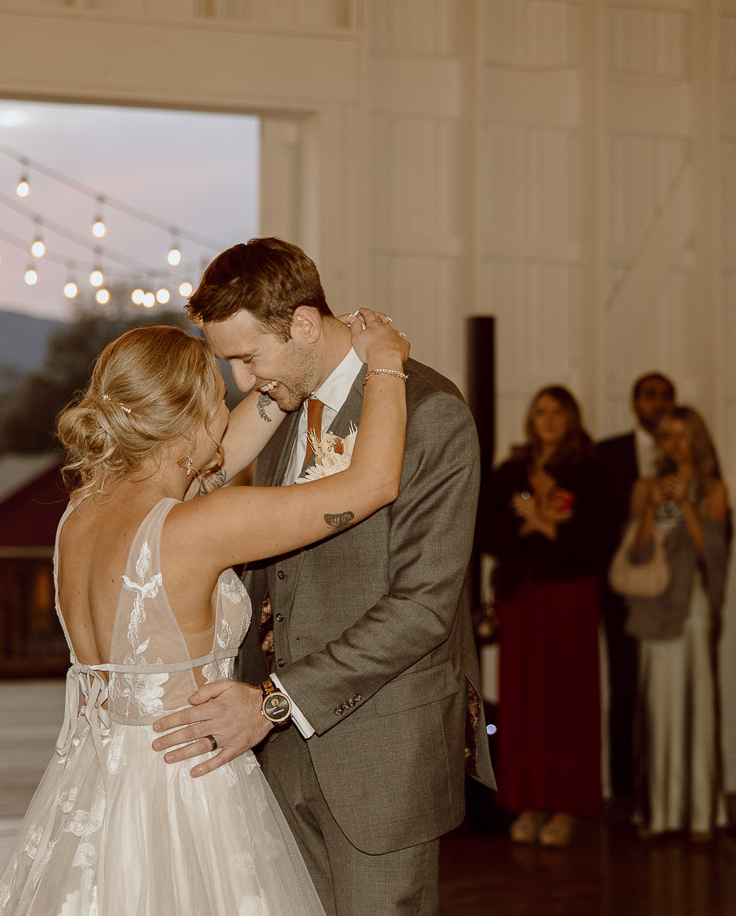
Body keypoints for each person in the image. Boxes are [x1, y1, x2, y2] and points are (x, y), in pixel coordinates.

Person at [0, 312, 409, 915]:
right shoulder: (196, 528)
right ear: (187, 422)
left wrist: (275, 385)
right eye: (217, 397)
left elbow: (208, 456)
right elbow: (371, 485)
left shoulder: (81, 515)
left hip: (99, 780)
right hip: (186, 785)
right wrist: (386, 361)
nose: (228, 406)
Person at [158, 237, 494, 916]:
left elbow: (423, 609)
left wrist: (275, 700)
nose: (244, 380)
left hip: (380, 755)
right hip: (278, 755)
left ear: (304, 324)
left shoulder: (429, 415)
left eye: (249, 357)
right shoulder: (285, 408)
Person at [478, 386, 613, 846]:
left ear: (571, 417)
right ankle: (528, 802)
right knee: (524, 700)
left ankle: (566, 806)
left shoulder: (589, 471)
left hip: (571, 597)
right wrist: (530, 525)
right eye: (540, 412)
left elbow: (598, 539)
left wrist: (544, 523)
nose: (548, 419)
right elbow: (487, 530)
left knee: (568, 700)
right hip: (523, 597)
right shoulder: (512, 469)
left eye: (557, 412)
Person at [622, 405, 729, 840]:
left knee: (698, 704)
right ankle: (658, 812)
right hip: (654, 606)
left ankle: (701, 813)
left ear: (697, 441)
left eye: (684, 436)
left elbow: (713, 555)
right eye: (668, 436)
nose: (675, 444)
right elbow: (634, 550)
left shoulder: (714, 489)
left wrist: (686, 502)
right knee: (657, 706)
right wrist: (652, 507)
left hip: (694, 604)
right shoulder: (643, 486)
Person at [596, 372, 675, 812]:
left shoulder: (686, 452)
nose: (658, 403)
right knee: (625, 688)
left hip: (674, 592)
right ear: (634, 402)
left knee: (668, 690)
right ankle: (627, 790)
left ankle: (668, 787)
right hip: (622, 586)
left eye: (666, 396)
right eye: (650, 395)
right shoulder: (607, 454)